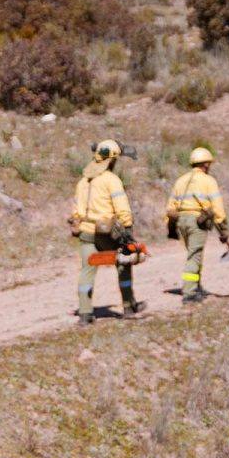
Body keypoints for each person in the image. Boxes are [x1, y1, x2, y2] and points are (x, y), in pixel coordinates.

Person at [69, 139, 146, 325]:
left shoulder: (83, 182)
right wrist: (128, 231)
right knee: (124, 262)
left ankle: (85, 313)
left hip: (86, 233)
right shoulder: (111, 180)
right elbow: (122, 209)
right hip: (107, 233)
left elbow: (75, 211)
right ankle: (129, 306)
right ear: (111, 160)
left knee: (87, 270)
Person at [165, 147, 229, 304]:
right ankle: (189, 293)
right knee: (194, 256)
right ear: (206, 164)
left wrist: (170, 227)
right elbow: (217, 208)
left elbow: (170, 207)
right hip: (196, 222)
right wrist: (223, 230)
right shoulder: (208, 181)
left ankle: (196, 286)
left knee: (194, 254)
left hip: (181, 221)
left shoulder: (181, 180)